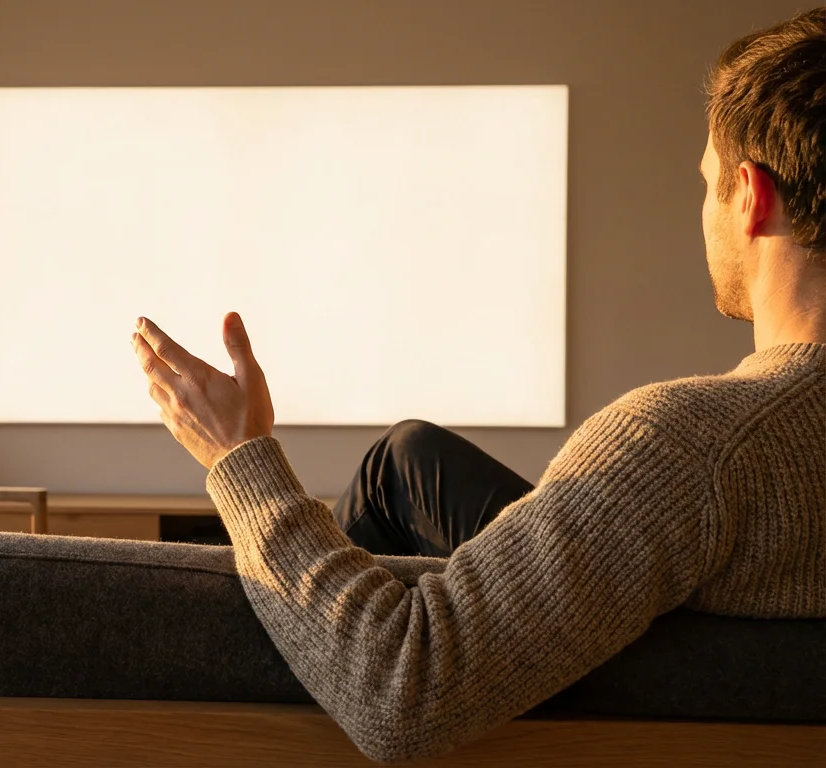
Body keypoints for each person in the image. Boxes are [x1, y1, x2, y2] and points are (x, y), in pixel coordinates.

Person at [130, 7, 826, 762]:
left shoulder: (691, 448)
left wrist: (241, 457)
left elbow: (402, 693)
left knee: (393, 476)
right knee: (405, 460)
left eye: (706, 187)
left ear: (752, 196)